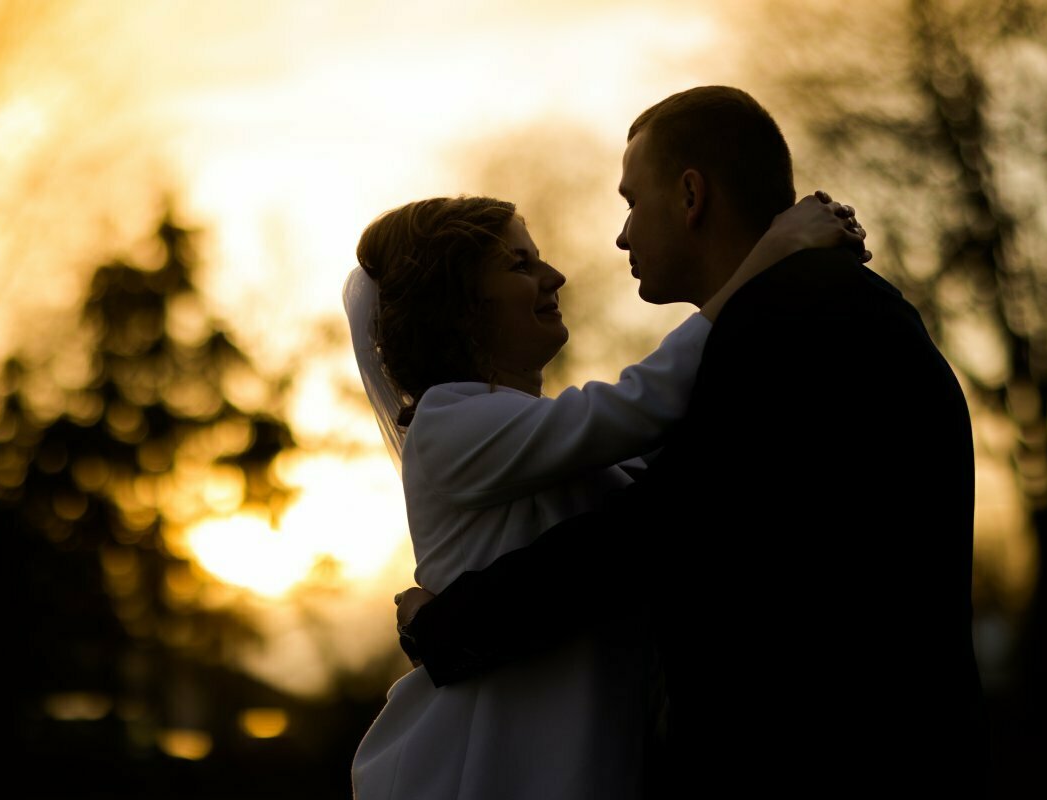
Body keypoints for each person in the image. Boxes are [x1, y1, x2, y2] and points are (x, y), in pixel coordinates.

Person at [394, 85, 988, 797]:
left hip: (834, 758)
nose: (619, 236)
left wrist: (451, 622)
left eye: (630, 200)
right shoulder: (822, 310)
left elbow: (656, 534)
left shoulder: (794, 327)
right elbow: (670, 503)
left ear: (690, 195)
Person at [343, 187, 865, 799]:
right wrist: (772, 256)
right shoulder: (448, 424)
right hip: (489, 764)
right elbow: (644, 405)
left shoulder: (534, 436)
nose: (554, 274)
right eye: (520, 264)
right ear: (457, 306)